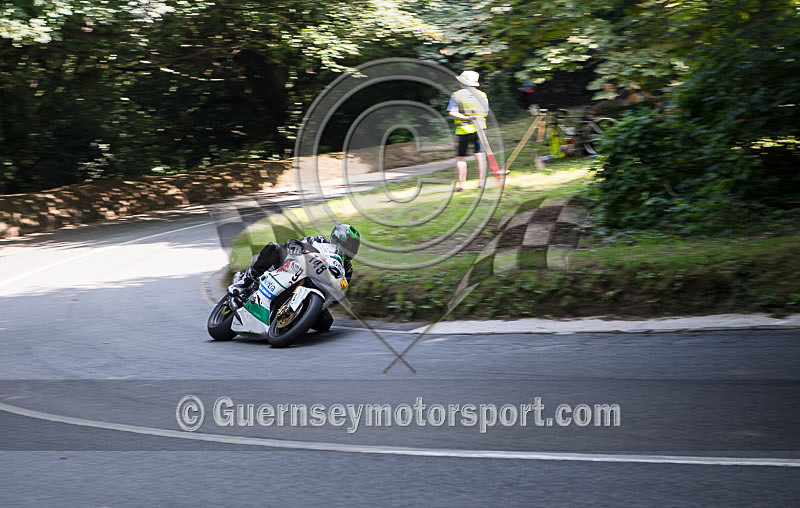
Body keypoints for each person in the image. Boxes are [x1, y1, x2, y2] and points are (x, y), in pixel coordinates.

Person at [227, 223, 360, 330]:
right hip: (292, 268)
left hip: (316, 287)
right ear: (337, 239)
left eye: (354, 246)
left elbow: (339, 293)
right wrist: (294, 245)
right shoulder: (320, 241)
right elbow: (298, 242)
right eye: (350, 244)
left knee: (326, 323)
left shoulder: (347, 268)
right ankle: (245, 281)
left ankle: (291, 322)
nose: (351, 249)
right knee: (275, 248)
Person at [447, 70, 488, 191]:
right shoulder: (482, 95)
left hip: (463, 130)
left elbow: (452, 113)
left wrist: (466, 117)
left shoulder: (456, 95)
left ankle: (461, 185)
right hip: (480, 128)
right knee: (480, 155)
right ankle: (481, 183)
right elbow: (485, 113)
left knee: (461, 157)